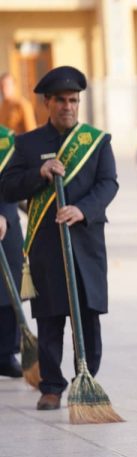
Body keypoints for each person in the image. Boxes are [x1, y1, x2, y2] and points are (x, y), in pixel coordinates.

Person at [0, 66, 119, 409]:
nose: (68, 106)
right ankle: (51, 386)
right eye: (61, 101)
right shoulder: (26, 144)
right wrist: (39, 173)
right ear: (47, 103)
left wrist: (82, 210)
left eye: (73, 100)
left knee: (88, 314)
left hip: (86, 240)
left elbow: (108, 184)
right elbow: (8, 186)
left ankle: (88, 375)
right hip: (46, 244)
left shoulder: (97, 141)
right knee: (50, 316)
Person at [0, 126, 22, 378]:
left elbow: (12, 180)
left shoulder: (7, 140)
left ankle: (6, 354)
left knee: (8, 289)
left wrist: (4, 213)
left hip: (4, 223)